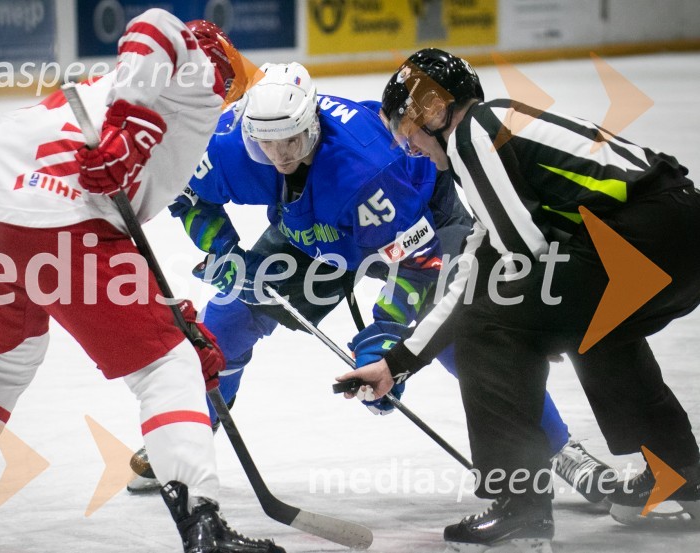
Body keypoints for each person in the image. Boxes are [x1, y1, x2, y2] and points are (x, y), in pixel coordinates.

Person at [128, 61, 617, 508]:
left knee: (460, 339)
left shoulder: (367, 171)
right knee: (230, 316)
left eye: (292, 144)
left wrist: (384, 345)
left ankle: (558, 449)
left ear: (313, 127)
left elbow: (417, 265)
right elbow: (187, 195)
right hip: (312, 225)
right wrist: (225, 251)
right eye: (266, 145)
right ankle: (190, 434)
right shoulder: (232, 147)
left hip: (417, 219)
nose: (278, 156)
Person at [0, 9, 284, 553]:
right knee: (167, 366)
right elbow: (153, 23)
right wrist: (128, 127)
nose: (225, 98)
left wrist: (168, 312)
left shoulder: (120, 95)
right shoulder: (192, 78)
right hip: (53, 213)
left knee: (1, 360)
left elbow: (113, 232)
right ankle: (204, 524)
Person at [339, 47, 700, 550]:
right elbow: (485, 262)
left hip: (638, 241)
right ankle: (682, 473)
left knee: (489, 326)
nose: (411, 147)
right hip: (677, 231)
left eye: (408, 129)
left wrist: (407, 357)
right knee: (595, 328)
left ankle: (521, 504)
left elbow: (518, 259)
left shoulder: (473, 135)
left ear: (436, 112)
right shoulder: (501, 122)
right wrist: (397, 363)